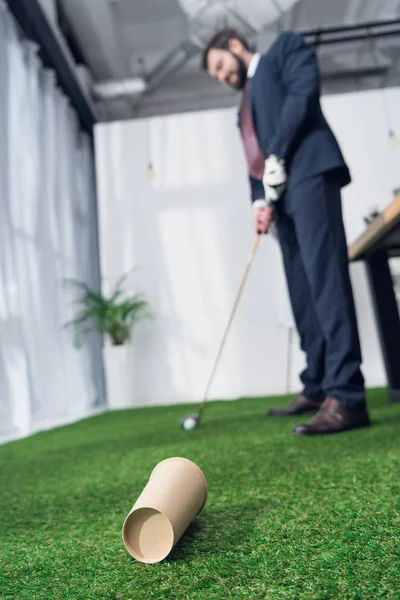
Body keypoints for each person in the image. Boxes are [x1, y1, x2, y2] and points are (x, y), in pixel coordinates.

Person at [201, 28, 371, 436]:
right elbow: (253, 160)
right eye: (217, 75)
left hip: (310, 175)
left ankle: (346, 396)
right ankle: (316, 385)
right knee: (302, 292)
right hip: (280, 201)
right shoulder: (241, 108)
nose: (224, 76)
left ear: (236, 47)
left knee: (326, 282)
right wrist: (259, 201)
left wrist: (277, 154)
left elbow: (304, 93)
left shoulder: (284, 50)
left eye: (222, 66)